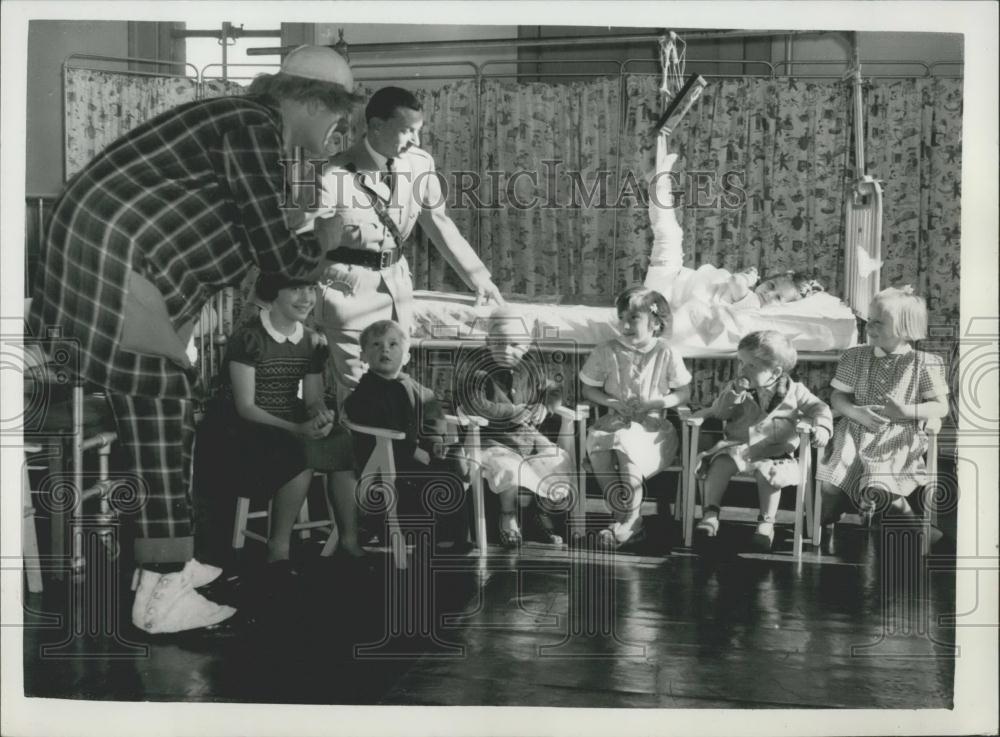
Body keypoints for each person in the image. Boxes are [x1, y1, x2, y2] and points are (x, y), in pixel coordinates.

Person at [27, 45, 361, 634]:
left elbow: (248, 227)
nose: (340, 127)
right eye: (338, 112)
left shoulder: (249, 129)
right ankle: (160, 590)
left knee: (167, 398)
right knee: (160, 397)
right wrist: (325, 242)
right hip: (111, 265)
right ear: (310, 100)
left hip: (112, 263)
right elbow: (275, 253)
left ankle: (167, 566)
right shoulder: (251, 126)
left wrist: (302, 214)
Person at [308, 85, 505, 408]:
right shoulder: (331, 175)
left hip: (398, 288)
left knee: (396, 387)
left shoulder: (419, 164)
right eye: (406, 131)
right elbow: (304, 243)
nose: (415, 139)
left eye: (418, 130)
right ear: (375, 127)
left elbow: (438, 223)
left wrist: (478, 277)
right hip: (349, 293)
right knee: (363, 395)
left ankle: (397, 457)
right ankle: (369, 457)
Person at [192, 273, 356, 581]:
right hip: (243, 428)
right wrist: (299, 429)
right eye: (295, 289)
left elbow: (311, 399)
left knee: (341, 439)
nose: (306, 297)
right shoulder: (249, 338)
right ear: (273, 293)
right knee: (300, 449)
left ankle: (349, 540)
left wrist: (321, 415)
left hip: (290, 419)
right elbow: (246, 407)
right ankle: (278, 547)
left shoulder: (313, 340)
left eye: (310, 288)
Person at [816, 287, 949, 551]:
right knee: (831, 484)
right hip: (855, 430)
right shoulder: (856, 356)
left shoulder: (923, 363)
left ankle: (921, 530)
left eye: (879, 322)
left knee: (879, 485)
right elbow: (838, 397)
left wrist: (907, 412)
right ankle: (832, 513)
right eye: (869, 320)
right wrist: (855, 412)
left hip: (897, 435)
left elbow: (940, 407)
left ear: (904, 328)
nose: (870, 326)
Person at [693, 330, 833, 551]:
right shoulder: (736, 389)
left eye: (751, 366)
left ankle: (766, 524)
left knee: (769, 474)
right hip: (739, 448)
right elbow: (720, 413)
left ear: (775, 372)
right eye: (740, 363)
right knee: (720, 464)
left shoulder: (794, 391)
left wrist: (822, 427)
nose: (742, 370)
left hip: (775, 453)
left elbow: (820, 408)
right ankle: (710, 513)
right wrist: (734, 394)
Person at [579, 286, 692, 549]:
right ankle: (625, 517)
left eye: (633, 318)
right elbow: (589, 388)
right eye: (622, 318)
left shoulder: (666, 352)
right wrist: (612, 402)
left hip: (653, 429)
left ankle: (628, 520)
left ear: (655, 323)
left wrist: (658, 401)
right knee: (601, 449)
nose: (625, 325)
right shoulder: (607, 350)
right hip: (614, 420)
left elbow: (683, 392)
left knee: (626, 446)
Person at [343, 320, 470, 551]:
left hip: (417, 457)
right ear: (363, 356)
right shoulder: (364, 393)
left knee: (450, 470)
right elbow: (370, 427)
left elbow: (432, 418)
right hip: (380, 460)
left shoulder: (417, 389)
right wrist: (411, 451)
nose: (385, 350)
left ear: (406, 356)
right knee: (433, 479)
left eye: (393, 344)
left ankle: (449, 537)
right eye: (376, 345)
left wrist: (434, 443)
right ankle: (402, 530)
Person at [455, 309, 576, 548]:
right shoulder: (477, 371)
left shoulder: (529, 370)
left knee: (558, 460)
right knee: (509, 467)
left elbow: (553, 389)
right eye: (499, 343)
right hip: (492, 441)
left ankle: (534, 515)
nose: (506, 350)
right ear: (488, 342)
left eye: (515, 344)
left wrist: (546, 404)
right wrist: (516, 411)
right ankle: (507, 515)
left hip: (526, 442)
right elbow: (477, 404)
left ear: (528, 345)